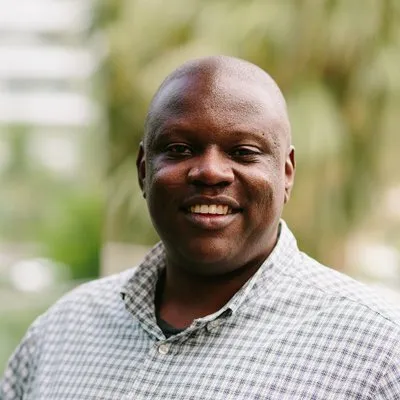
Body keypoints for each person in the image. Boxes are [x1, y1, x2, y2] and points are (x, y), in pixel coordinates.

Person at [1, 56, 400, 399]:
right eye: (179, 149)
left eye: (243, 152)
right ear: (144, 171)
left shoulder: (379, 353)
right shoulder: (61, 332)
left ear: (286, 174)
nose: (210, 171)